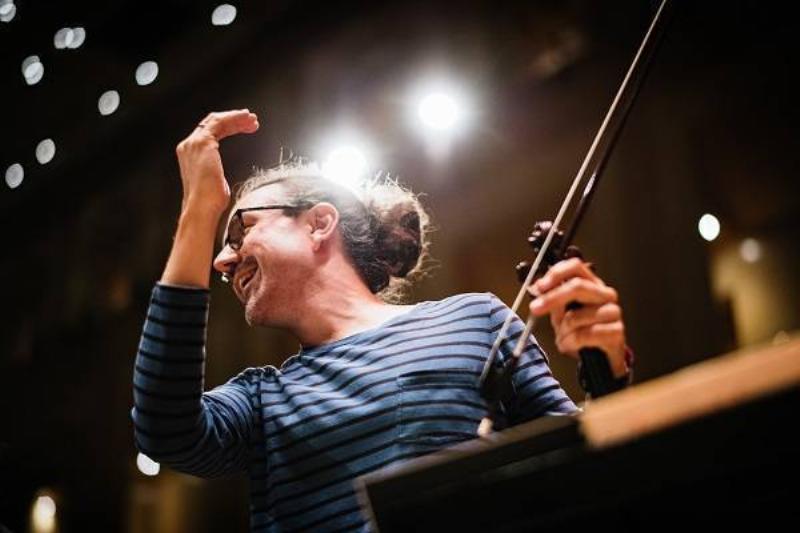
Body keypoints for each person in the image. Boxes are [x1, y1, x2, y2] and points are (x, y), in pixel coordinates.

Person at [132, 109, 632, 532]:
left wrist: (603, 372)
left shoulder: (475, 320)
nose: (221, 261)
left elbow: (587, 469)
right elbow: (164, 430)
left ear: (318, 223)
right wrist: (199, 209)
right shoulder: (261, 401)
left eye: (240, 230)